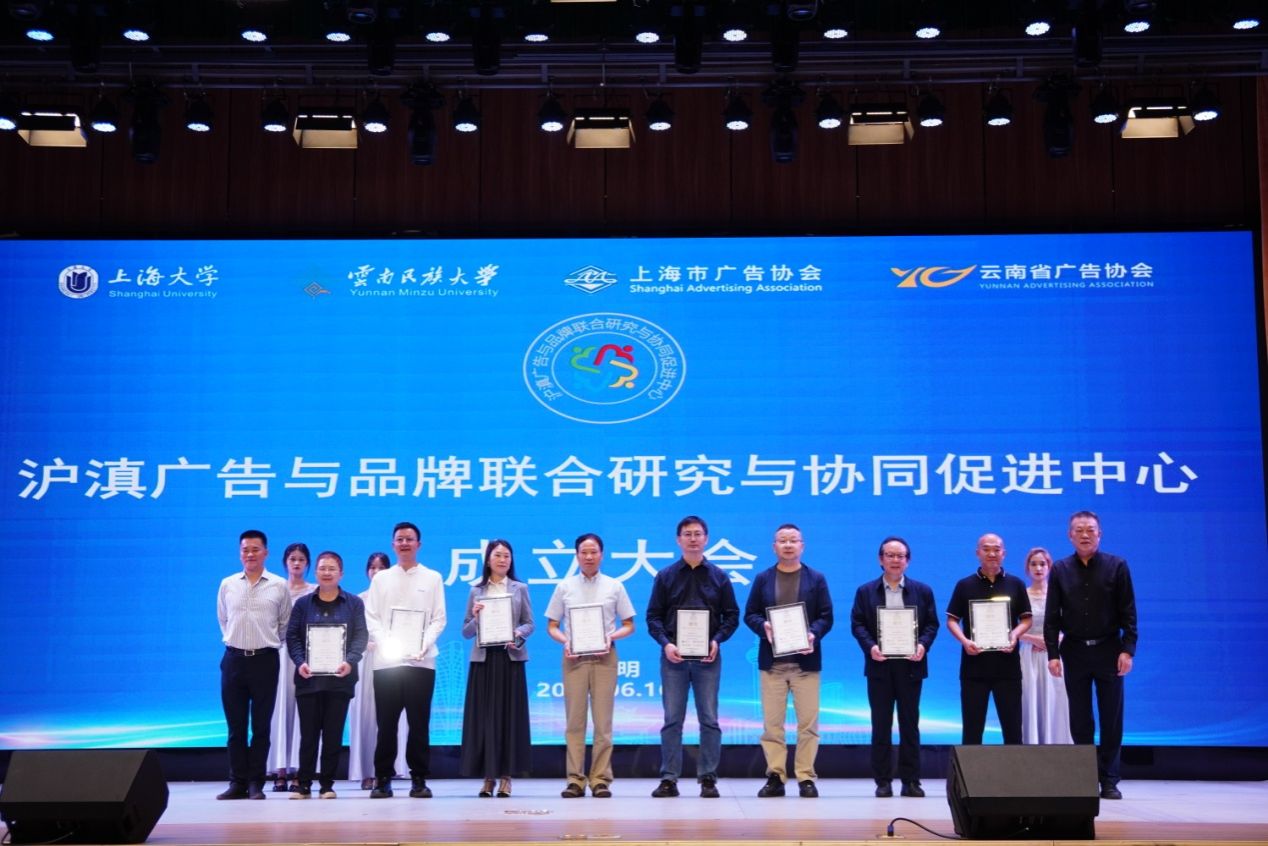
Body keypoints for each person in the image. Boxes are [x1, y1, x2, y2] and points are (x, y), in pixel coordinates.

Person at [645, 516, 740, 799]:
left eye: (698, 534)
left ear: (706, 539)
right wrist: (666, 644)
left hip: (707, 659)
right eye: (687, 534)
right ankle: (669, 779)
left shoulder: (720, 576)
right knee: (672, 720)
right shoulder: (665, 576)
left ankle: (708, 778)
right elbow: (653, 617)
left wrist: (716, 640)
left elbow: (732, 616)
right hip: (673, 658)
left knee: (709, 719)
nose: (693, 539)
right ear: (678, 540)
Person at [1045, 511, 1137, 800]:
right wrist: (1052, 654)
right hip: (1074, 651)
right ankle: (1086, 778)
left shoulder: (1117, 566)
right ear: (1069, 535)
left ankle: (1109, 780)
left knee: (1111, 717)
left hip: (1109, 650)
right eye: (1079, 530)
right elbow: (1052, 616)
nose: (1085, 534)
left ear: (1100, 534)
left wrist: (1128, 649)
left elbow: (1128, 612)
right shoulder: (1060, 569)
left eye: (1090, 529)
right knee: (1080, 718)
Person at [744, 523, 834, 799]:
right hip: (772, 664)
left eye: (793, 540)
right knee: (772, 726)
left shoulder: (816, 579)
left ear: (802, 546)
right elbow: (750, 614)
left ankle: (806, 777)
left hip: (805, 664)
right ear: (774, 547)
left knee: (808, 725)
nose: (788, 545)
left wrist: (812, 633)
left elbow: (826, 616)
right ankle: (776, 776)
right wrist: (764, 627)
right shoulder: (763, 578)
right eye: (782, 540)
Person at [545, 533, 636, 798]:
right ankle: (575, 779)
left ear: (601, 555)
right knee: (574, 722)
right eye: (583, 552)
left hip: (605, 658)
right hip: (574, 659)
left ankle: (600, 779)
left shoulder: (614, 586)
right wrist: (566, 641)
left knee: (603, 723)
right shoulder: (564, 587)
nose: (588, 556)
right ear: (576, 556)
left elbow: (629, 624)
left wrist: (611, 637)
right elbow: (552, 625)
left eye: (593, 552)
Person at [849, 536, 939, 798]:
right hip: (880, 666)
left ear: (908, 561)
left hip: (911, 666)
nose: (895, 560)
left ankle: (911, 781)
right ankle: (883, 781)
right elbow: (857, 624)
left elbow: (932, 624)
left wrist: (922, 645)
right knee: (881, 725)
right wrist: (870, 647)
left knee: (910, 725)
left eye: (900, 556)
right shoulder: (866, 591)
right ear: (881, 559)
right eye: (890, 555)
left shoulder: (922, 591)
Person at [363, 521, 447, 799]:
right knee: (386, 724)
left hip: (421, 661)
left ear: (418, 544)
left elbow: (439, 618)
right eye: (399, 539)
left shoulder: (433, 578)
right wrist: (386, 643)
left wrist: (423, 645)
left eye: (409, 539)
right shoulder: (381, 579)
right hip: (387, 663)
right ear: (393, 544)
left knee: (419, 724)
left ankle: (419, 779)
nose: (404, 543)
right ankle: (383, 779)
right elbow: (372, 617)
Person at [215, 529, 292, 800]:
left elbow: (284, 624)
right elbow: (223, 619)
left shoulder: (279, 585)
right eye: (245, 550)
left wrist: (264, 642)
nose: (250, 554)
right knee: (235, 728)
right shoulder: (227, 584)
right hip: (233, 660)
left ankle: (256, 783)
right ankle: (237, 782)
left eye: (255, 549)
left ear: (266, 553)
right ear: (240, 553)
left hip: (265, 661)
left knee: (261, 727)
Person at [285, 551, 368, 799]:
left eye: (332, 568)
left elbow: (360, 636)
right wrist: (300, 662)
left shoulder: (354, 603)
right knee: (308, 736)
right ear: (316, 572)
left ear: (341, 573)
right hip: (308, 679)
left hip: (340, 680)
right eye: (322, 568)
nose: (327, 572)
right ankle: (304, 784)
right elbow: (292, 636)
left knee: (333, 735)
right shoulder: (303, 604)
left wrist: (350, 661)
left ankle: (327, 785)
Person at [459, 540, 535, 798]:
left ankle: (506, 777)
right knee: (485, 720)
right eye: (498, 555)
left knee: (508, 719)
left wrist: (517, 634)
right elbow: (466, 631)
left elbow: (530, 623)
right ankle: (488, 777)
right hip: (483, 661)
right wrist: (476, 617)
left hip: (510, 660)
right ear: (488, 559)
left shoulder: (520, 588)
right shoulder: (476, 591)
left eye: (507, 556)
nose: (503, 560)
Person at [945, 533, 1032, 745]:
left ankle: (1014, 768)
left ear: (1004, 553)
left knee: (1013, 730)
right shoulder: (964, 585)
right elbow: (952, 620)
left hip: (1008, 667)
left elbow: (1026, 619)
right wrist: (965, 641)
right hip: (974, 668)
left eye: (996, 549)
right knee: (972, 731)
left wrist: (1015, 634)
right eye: (986, 549)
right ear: (978, 553)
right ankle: (970, 769)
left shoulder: (1016, 584)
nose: (992, 553)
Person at [348, 552, 407, 790]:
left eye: (381, 567)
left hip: (392, 661)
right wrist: (365, 645)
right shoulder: (357, 600)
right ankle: (365, 771)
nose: (376, 572)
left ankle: (386, 770)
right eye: (372, 567)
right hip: (365, 662)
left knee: (389, 717)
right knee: (364, 716)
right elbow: (350, 633)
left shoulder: (398, 598)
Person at [270, 542, 315, 792]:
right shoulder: (276, 589)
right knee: (280, 709)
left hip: (307, 657)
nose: (296, 563)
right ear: (285, 562)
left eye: (301, 559)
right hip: (279, 653)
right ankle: (279, 770)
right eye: (292, 559)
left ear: (307, 564)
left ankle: (299, 770)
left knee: (303, 711)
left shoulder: (314, 591)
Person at [1019, 547, 1072, 744]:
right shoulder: (1022, 595)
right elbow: (1012, 630)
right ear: (1027, 568)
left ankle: (1058, 746)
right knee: (1031, 699)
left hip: (1055, 655)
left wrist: (1053, 642)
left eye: (1042, 564)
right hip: (1029, 655)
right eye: (1033, 564)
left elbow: (1071, 626)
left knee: (1057, 700)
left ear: (1049, 567)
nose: (1038, 568)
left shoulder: (1060, 595)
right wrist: (1035, 640)